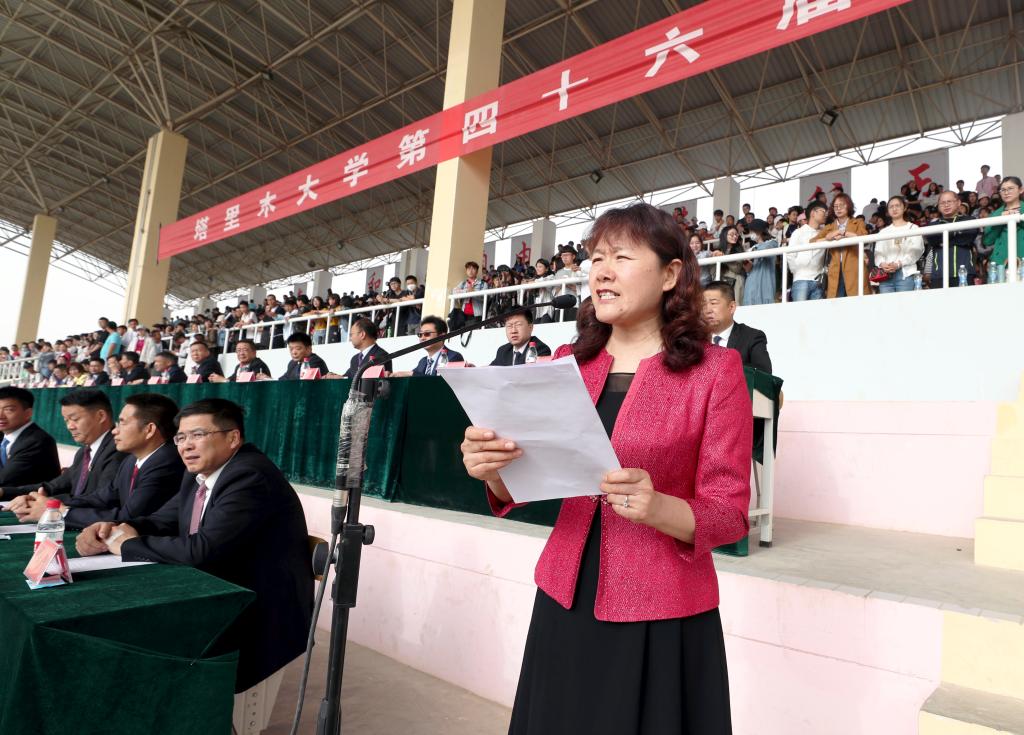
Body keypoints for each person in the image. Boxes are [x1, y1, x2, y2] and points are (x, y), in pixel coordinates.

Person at [461, 202, 751, 733]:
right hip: (565, 594)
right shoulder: (567, 363)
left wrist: (658, 507)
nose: (602, 272)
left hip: (660, 607)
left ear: (670, 274)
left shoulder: (716, 371)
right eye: (596, 258)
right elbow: (531, 480)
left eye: (621, 257)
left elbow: (729, 514)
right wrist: (494, 471)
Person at [75, 398, 314, 696]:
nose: (186, 446)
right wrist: (114, 529)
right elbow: (162, 520)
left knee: (135, 632)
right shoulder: (199, 474)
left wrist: (128, 544)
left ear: (233, 438)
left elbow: (202, 550)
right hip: (217, 590)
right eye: (181, 437)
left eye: (198, 435)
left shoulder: (249, 475)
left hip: (257, 610)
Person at [56, 393, 184, 530]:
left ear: (149, 430)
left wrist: (64, 513)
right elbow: (102, 497)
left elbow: (128, 518)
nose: (114, 431)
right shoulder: (131, 460)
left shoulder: (167, 463)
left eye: (123, 423)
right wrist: (53, 504)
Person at [7, 390, 127, 520]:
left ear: (101, 416)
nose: (70, 426)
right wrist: (24, 495)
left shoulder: (118, 450)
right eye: (66, 420)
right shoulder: (83, 452)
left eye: (75, 419)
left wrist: (48, 502)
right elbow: (53, 486)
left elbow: (101, 498)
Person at [0, 387, 61, 498]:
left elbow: (4, 479)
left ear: (28, 413)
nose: (1, 416)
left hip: (30, 502)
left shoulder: (37, 440)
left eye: (8, 410)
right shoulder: (4, 436)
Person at [703, 281, 773, 373]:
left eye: (713, 303)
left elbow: (764, 373)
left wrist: (723, 367)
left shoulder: (752, 337)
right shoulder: (695, 339)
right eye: (703, 304)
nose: (707, 310)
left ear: (731, 307)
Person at [814, 192, 871, 298]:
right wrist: (829, 237)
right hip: (835, 270)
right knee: (837, 304)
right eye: (835, 206)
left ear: (848, 206)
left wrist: (843, 233)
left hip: (854, 268)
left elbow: (864, 237)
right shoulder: (829, 227)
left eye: (842, 205)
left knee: (857, 302)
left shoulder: (858, 222)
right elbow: (813, 242)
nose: (838, 208)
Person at [924, 190, 979, 288]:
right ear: (938, 206)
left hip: (964, 272)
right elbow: (933, 240)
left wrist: (943, 240)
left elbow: (967, 239)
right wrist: (957, 234)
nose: (946, 205)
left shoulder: (969, 220)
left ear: (958, 203)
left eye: (949, 201)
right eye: (942, 203)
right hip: (939, 274)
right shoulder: (933, 225)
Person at [874, 195, 926, 294]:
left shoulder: (913, 228)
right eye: (891, 206)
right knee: (886, 303)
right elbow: (878, 253)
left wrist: (899, 264)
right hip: (885, 275)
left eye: (897, 206)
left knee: (905, 303)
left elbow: (916, 251)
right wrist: (882, 264)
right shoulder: (883, 232)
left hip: (905, 273)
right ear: (888, 211)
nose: (894, 209)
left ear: (904, 208)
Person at [392, 316, 466, 377]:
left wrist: (411, 374)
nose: (422, 338)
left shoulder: (453, 357)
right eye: (420, 334)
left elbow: (440, 383)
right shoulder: (423, 361)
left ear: (442, 336)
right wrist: (392, 375)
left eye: (427, 334)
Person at [982, 176, 1023, 273]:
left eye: (1010, 188)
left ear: (1020, 190)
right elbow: (987, 241)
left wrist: (1018, 218)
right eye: (1003, 190)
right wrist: (1001, 220)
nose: (1006, 192)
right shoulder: (996, 214)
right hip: (1000, 261)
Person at [742, 220, 779, 306]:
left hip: (765, 282)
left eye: (752, 231)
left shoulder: (772, 242)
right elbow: (749, 269)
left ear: (759, 230)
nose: (750, 233)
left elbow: (766, 250)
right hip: (751, 282)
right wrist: (746, 263)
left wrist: (752, 253)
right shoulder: (753, 247)